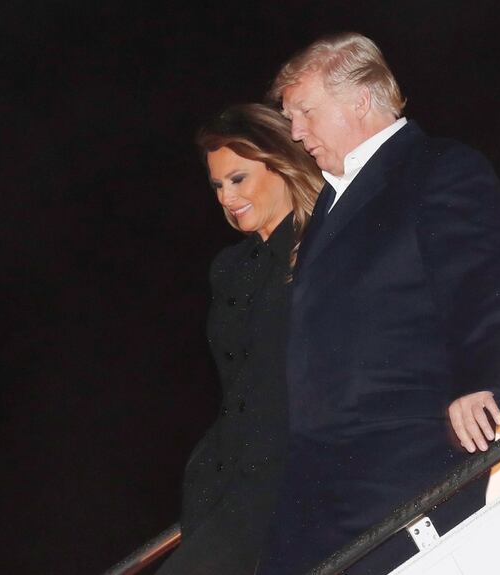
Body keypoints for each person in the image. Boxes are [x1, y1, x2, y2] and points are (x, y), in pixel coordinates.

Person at [258, 33, 500, 574]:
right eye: (290, 118)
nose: (296, 132)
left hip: (401, 453)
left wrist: (480, 379)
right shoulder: (330, 201)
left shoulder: (437, 167)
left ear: (360, 99)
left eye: (306, 112)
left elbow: (481, 280)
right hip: (319, 471)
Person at [156, 104, 322, 574]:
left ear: (280, 164)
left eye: (238, 179)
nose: (227, 198)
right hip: (224, 478)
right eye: (217, 186)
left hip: (287, 472)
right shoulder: (229, 268)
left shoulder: (323, 244)